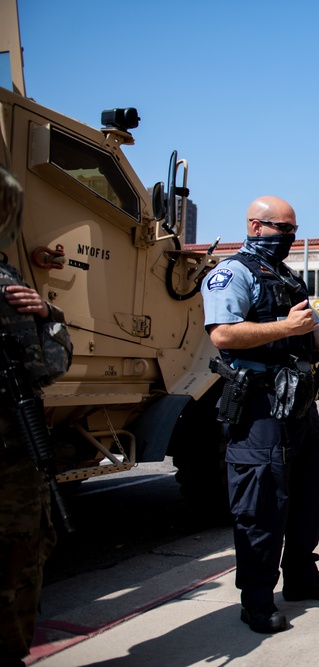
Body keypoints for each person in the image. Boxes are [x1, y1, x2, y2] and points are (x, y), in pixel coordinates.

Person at [200, 196, 319, 634]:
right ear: (255, 226)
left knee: (312, 488)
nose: (289, 238)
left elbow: (310, 323)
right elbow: (222, 333)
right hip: (258, 404)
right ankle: (256, 599)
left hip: (297, 401)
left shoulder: (285, 275)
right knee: (260, 504)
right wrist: (285, 329)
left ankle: (300, 575)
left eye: (293, 230)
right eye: (282, 229)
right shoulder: (231, 274)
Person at [0, 166, 72, 667]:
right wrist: (50, 319)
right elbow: (48, 364)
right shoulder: (7, 286)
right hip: (8, 451)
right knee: (18, 558)